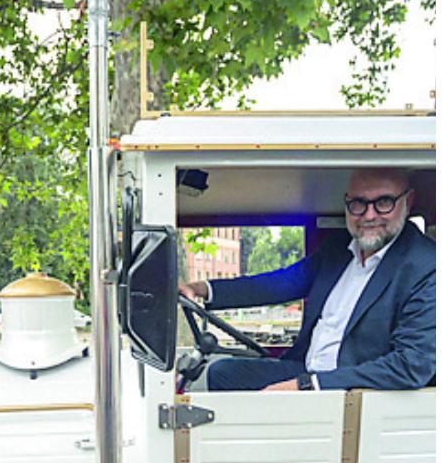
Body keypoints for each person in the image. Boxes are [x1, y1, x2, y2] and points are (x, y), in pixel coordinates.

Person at [179, 168, 435, 392]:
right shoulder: (338, 250)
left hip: (353, 392)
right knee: (223, 374)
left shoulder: (426, 265)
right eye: (358, 203)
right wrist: (202, 288)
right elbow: (279, 283)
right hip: (306, 371)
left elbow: (413, 364)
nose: (369, 215)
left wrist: (310, 386)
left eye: (383, 202)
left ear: (407, 202)